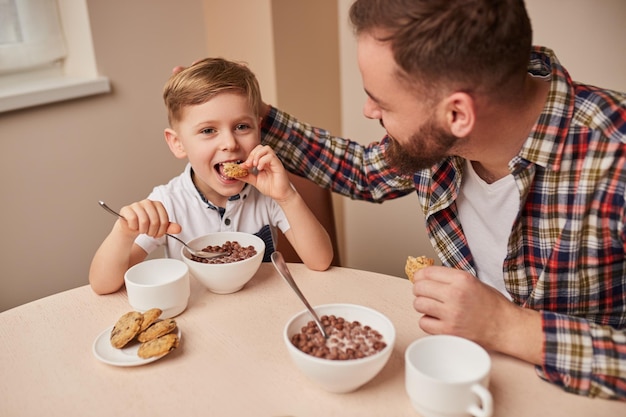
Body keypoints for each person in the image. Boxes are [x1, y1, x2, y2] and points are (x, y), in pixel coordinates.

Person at [242, 0, 626, 400]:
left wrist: (507, 326)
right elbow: (363, 170)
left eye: (382, 102)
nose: (368, 110)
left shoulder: (615, 158)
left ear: (457, 115)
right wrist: (253, 113)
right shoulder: (440, 143)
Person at [90, 58, 333, 295]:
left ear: (259, 130)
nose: (229, 143)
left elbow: (320, 261)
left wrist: (287, 197)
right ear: (178, 143)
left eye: (242, 127)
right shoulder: (169, 202)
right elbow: (103, 284)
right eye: (208, 130)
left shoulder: (269, 191)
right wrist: (123, 233)